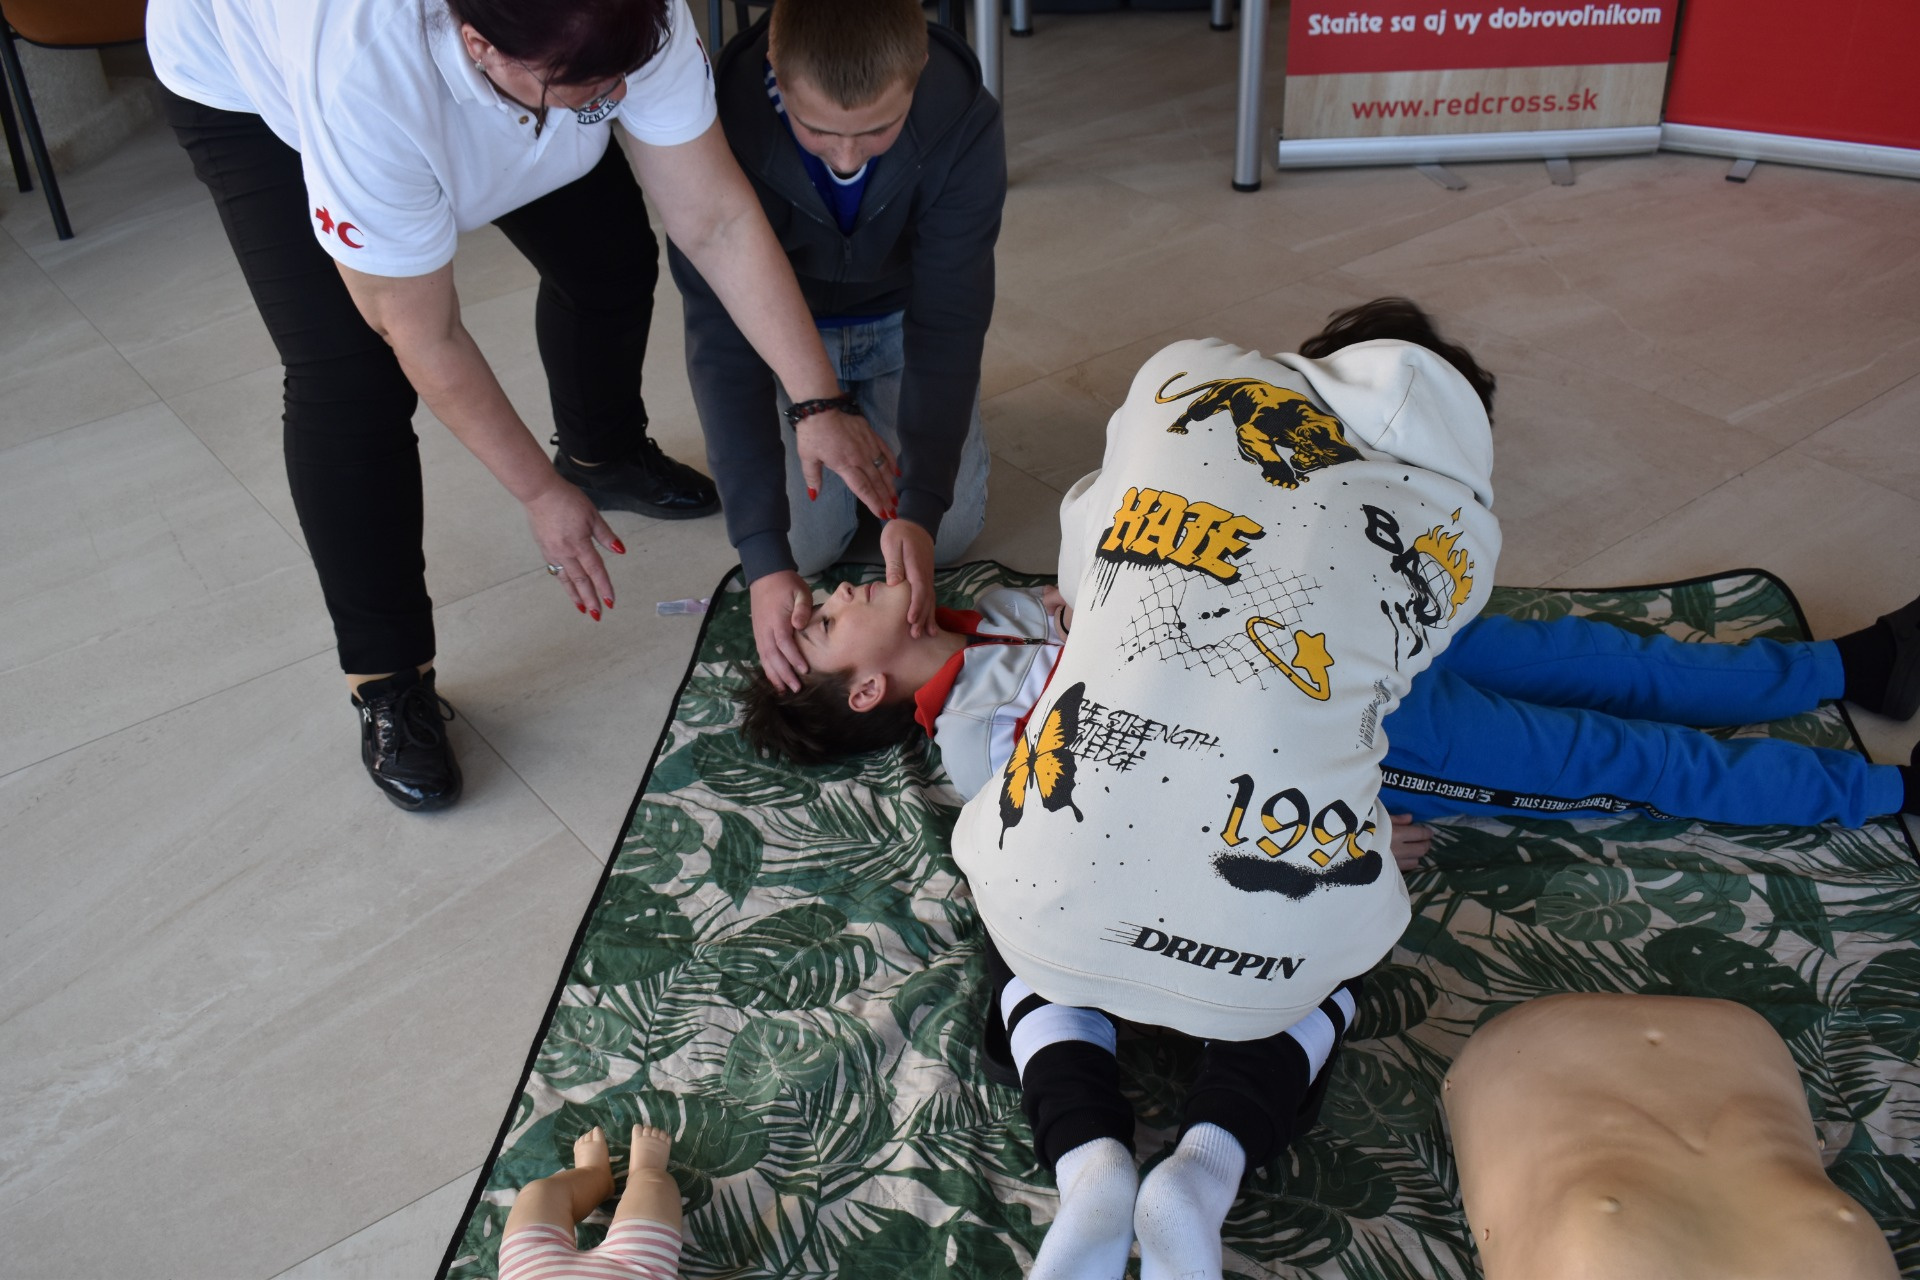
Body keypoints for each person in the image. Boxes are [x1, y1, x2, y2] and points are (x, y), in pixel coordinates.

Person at [736, 300, 1920, 1280]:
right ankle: (1872, 790)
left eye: (824, 605)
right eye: (829, 621)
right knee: (1607, 758)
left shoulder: (983, 610)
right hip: (1342, 711)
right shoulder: (973, 735)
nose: (838, 593)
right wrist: (1330, 838)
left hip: (1346, 624)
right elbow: (1124, 798)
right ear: (866, 692)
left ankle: (1839, 668)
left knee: (1585, 656)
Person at [147, 0, 898, 810]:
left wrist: (817, 399)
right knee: (352, 379)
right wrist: (539, 494)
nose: (614, 102)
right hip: (253, 83)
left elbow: (715, 220)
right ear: (481, 47)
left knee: (610, 256)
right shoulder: (361, 74)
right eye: (590, 89)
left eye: (624, 79)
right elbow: (423, 331)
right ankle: (389, 682)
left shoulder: (628, 22)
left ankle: (602, 454)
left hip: (535, 59)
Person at [670, 0, 1005, 699]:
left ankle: (895, 429)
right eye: (818, 130)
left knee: (946, 533)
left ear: (918, 68)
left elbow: (950, 319)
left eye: (878, 129)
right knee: (804, 546)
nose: (848, 155)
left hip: (900, 324)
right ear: (775, 67)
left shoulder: (966, 121)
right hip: (782, 335)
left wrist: (921, 506)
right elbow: (720, 339)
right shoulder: (709, 124)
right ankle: (832, 430)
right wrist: (763, 558)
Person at [498, 1124, 684, 1280]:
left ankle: (595, 1175)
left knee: (539, 1193)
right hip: (635, 1270)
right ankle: (646, 1171)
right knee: (654, 1185)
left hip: (529, 1268)